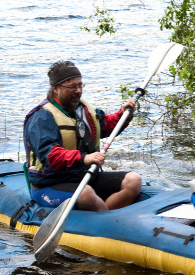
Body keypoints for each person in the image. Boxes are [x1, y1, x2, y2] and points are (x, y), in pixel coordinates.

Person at [23, 60, 142, 211]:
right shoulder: (41, 117)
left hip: (84, 176)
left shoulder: (83, 110)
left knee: (134, 181)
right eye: (72, 87)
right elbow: (51, 157)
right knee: (85, 194)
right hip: (50, 184)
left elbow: (107, 125)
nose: (78, 91)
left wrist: (125, 114)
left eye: (80, 85)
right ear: (55, 89)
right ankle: (108, 221)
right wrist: (84, 158)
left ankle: (104, 216)